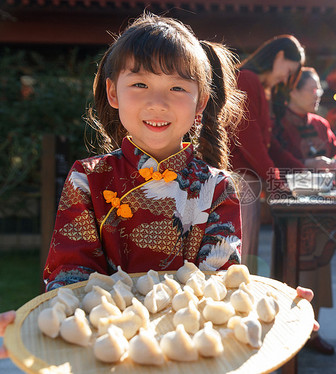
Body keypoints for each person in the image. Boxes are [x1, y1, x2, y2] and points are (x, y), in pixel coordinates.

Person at [42, 13, 245, 290]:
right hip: (106, 328)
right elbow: (69, 278)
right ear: (113, 92)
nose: (157, 103)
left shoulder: (217, 187)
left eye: (177, 87)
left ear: (201, 104)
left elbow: (220, 286)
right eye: (140, 84)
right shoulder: (87, 180)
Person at [270, 67, 336, 355]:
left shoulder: (320, 123)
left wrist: (332, 162)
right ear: (293, 91)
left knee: (319, 264)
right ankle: (286, 332)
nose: (317, 96)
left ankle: (312, 332)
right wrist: (307, 166)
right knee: (290, 264)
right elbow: (276, 158)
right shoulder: (277, 124)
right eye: (312, 90)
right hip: (291, 203)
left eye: (319, 91)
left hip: (321, 202)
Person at [229, 35, 306, 274]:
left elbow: (267, 145)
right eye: (288, 70)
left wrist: (301, 169)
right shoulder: (247, 79)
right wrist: (276, 180)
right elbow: (249, 138)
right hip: (238, 181)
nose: (286, 78)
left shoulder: (259, 86)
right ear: (279, 56)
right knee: (238, 261)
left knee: (245, 258)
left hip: (248, 182)